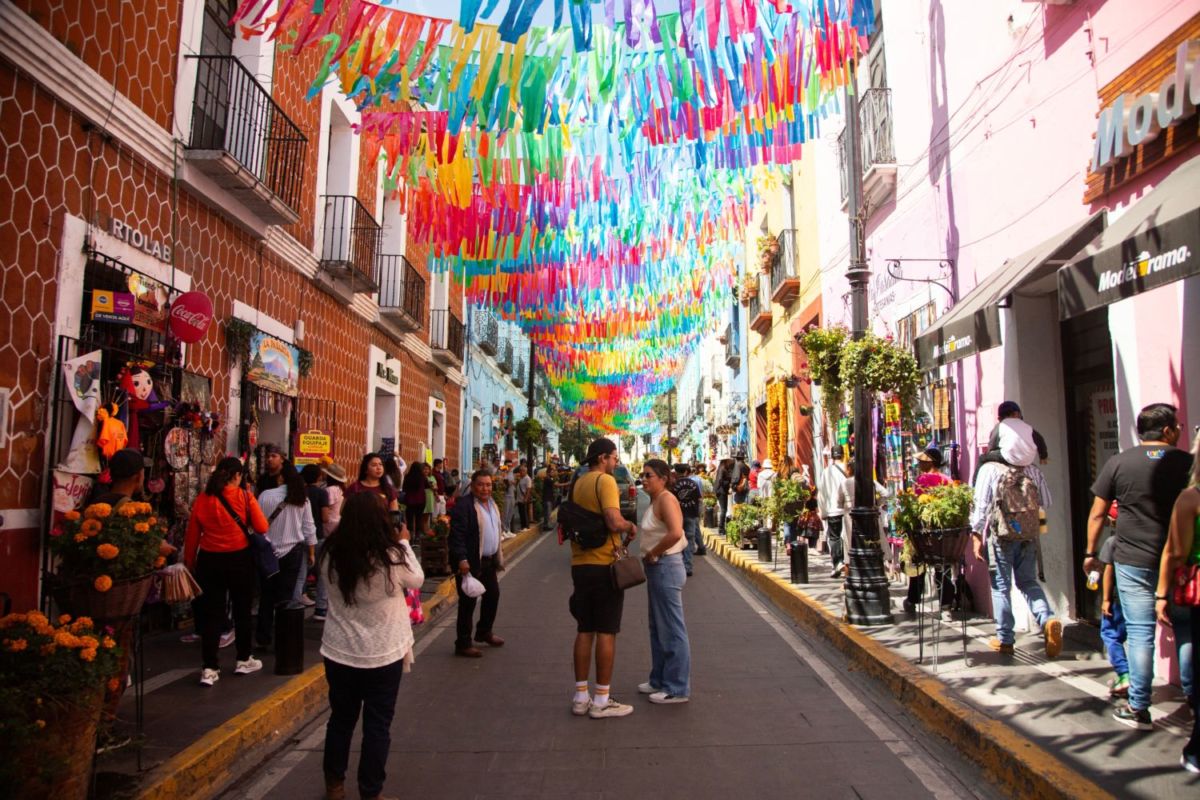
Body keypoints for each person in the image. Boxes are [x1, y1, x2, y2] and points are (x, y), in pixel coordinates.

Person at [1085, 404, 1193, 729]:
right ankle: (1193, 699)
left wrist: (1091, 552)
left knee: (1140, 632)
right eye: (1177, 426)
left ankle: (1139, 707)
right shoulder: (1187, 463)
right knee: (1187, 629)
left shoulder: (1119, 462)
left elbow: (1097, 513)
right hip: (1179, 560)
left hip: (1132, 560)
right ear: (1168, 430)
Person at [319, 492, 424, 800]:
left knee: (341, 720)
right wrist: (404, 542)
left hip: (339, 650)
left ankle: (335, 785)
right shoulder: (391, 555)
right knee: (377, 725)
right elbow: (417, 579)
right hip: (383, 652)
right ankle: (370, 791)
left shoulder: (330, 552)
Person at [184, 456, 268, 686]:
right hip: (239, 558)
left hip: (209, 560)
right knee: (242, 610)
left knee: (212, 613)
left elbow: (192, 535)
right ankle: (243, 659)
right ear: (237, 476)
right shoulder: (244, 496)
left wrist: (189, 562)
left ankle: (210, 668)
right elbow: (262, 527)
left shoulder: (203, 499)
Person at [569, 438, 638, 719]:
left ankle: (580, 696)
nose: (615, 463)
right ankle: (601, 700)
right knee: (606, 631)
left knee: (584, 629)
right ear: (601, 458)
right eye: (613, 458)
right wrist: (630, 525)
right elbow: (613, 520)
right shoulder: (605, 482)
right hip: (603, 564)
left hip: (580, 563)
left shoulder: (578, 483)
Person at [971, 456, 1061, 658]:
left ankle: (1005, 639)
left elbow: (981, 507)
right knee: (1028, 582)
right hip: (1028, 536)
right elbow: (1046, 501)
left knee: (1001, 586)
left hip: (1001, 537)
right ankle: (1047, 620)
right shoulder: (1032, 469)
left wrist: (976, 536)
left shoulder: (990, 469)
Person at [1155, 429, 1200, 773]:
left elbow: (1178, 551)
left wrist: (1161, 593)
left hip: (1194, 588)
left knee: (1190, 646)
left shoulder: (1190, 498)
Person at [637, 459, 691, 704]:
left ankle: (677, 687)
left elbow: (676, 532)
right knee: (658, 627)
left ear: (662, 477)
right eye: (643, 475)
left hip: (666, 566)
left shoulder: (667, 499)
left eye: (649, 475)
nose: (644, 479)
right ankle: (659, 678)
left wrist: (655, 552)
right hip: (657, 568)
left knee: (671, 628)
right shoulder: (655, 500)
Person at [256, 463, 318, 648]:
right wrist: (312, 552)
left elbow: (257, 524)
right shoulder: (302, 499)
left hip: (267, 551)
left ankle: (263, 637)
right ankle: (283, 639)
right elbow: (309, 527)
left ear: (281, 477)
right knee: (286, 596)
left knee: (266, 596)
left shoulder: (265, 496)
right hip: (292, 552)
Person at [448, 470, 505, 658]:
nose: (485, 488)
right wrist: (462, 560)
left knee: (493, 596)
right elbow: (457, 536)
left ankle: (484, 632)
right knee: (468, 603)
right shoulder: (464, 506)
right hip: (470, 563)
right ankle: (463, 643)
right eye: (481, 484)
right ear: (472, 486)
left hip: (488, 562)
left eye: (488, 485)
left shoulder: (491, 504)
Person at [903, 449, 953, 613]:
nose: (919, 463)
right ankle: (945, 602)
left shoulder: (923, 480)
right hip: (943, 530)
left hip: (925, 529)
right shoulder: (947, 480)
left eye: (922, 461)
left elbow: (917, 504)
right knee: (942, 565)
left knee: (919, 564)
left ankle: (912, 599)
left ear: (930, 462)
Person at [314, 460, 349, 622]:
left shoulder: (329, 491)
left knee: (323, 569)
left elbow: (325, 514)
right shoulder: (341, 490)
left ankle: (321, 605)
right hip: (338, 528)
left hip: (328, 530)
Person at [1097, 533, 1129, 699]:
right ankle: (1139, 681)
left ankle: (1125, 675)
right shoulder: (1146, 537)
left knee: (1110, 634)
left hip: (1117, 598)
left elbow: (1108, 572)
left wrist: (1106, 599)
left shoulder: (1113, 541)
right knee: (1140, 639)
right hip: (1141, 598)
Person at [297, 465, 332, 608]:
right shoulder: (322, 493)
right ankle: (321, 606)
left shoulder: (299, 492)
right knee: (323, 573)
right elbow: (325, 518)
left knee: (301, 573)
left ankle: (297, 600)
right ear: (319, 477)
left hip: (300, 536)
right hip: (317, 535)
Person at [818, 446, 849, 578]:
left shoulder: (826, 472)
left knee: (835, 537)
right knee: (847, 537)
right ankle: (846, 564)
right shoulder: (848, 470)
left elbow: (822, 494)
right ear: (843, 455)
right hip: (847, 509)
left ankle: (838, 563)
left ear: (832, 456)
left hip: (833, 510)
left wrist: (823, 512)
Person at [669, 463, 702, 576]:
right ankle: (687, 567)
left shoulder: (674, 485)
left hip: (677, 516)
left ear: (677, 472)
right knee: (689, 540)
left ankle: (678, 565)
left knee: (677, 540)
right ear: (686, 472)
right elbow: (699, 499)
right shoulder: (693, 483)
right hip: (691, 515)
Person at [714, 458, 734, 534]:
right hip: (721, 491)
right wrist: (728, 484)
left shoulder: (722, 468)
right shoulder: (722, 469)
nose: (730, 462)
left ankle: (721, 527)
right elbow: (720, 481)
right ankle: (721, 528)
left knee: (724, 509)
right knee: (723, 510)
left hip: (720, 491)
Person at [517, 465, 533, 530]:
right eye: (520, 471)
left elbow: (528, 489)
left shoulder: (527, 478)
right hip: (519, 499)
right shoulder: (521, 478)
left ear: (525, 471)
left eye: (521, 471)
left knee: (524, 513)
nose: (520, 472)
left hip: (523, 499)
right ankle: (523, 526)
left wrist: (526, 498)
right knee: (521, 513)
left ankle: (526, 526)